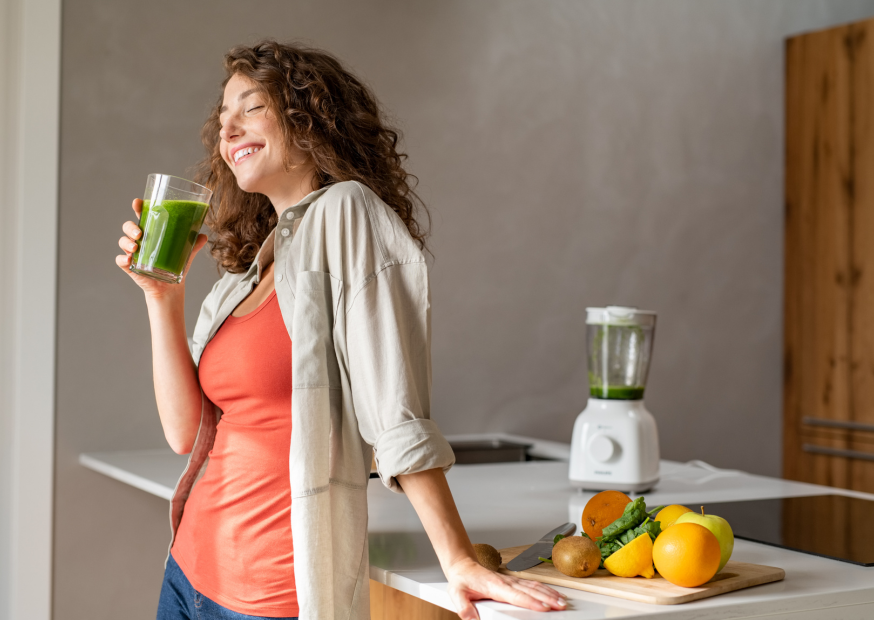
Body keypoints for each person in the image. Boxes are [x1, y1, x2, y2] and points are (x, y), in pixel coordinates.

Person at [117, 40, 567, 620]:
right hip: (186, 572)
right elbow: (186, 434)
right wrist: (163, 297)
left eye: (250, 107)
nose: (228, 129)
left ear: (310, 118)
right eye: (222, 118)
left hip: (269, 595)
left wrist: (458, 559)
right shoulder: (245, 274)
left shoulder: (346, 213)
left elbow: (395, 406)